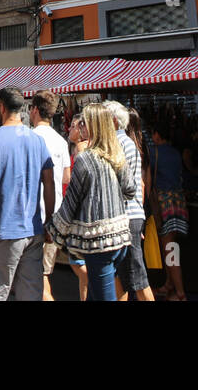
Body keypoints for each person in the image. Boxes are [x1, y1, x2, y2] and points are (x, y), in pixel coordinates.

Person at [47, 103, 135, 302]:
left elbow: (71, 202)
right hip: (120, 236)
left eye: (84, 122)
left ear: (94, 125)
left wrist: (53, 230)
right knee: (96, 293)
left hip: (99, 240)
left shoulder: (85, 159)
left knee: (103, 295)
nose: (81, 127)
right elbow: (130, 190)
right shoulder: (116, 154)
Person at [0, 87, 54, 302]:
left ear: (1, 107)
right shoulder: (37, 140)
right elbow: (49, 182)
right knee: (30, 293)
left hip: (3, 231)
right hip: (32, 230)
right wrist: (49, 220)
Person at [105, 101, 153, 302]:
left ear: (114, 121)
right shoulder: (124, 143)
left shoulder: (120, 144)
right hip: (127, 215)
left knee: (136, 277)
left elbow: (124, 184)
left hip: (125, 215)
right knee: (122, 275)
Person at [28, 91, 70, 301]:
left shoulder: (29, 137)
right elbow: (65, 178)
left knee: (34, 278)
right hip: (54, 217)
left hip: (32, 217)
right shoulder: (61, 141)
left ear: (34, 110)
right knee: (43, 274)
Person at [149, 121, 188, 300]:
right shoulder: (175, 153)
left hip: (164, 205)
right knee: (172, 247)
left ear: (157, 134)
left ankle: (180, 293)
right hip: (179, 203)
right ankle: (168, 285)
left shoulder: (153, 153)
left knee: (170, 250)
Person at [65, 109, 91, 300]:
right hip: (78, 211)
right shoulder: (77, 151)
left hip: (79, 213)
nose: (69, 129)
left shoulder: (82, 152)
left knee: (77, 262)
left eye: (73, 126)